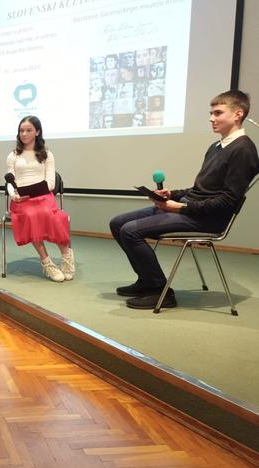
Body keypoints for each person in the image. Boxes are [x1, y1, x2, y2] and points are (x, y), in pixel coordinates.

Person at [110, 90, 259, 309]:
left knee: (130, 231)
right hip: (190, 209)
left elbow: (228, 202)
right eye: (211, 113)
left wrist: (181, 207)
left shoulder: (243, 150)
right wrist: (173, 195)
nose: (211, 118)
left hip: (208, 219)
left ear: (238, 114)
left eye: (218, 113)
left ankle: (161, 291)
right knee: (117, 223)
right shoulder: (217, 147)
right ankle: (146, 281)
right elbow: (200, 189)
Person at [6, 115, 75, 282]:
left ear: (37, 132)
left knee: (52, 215)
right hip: (21, 200)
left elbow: (51, 182)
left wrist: (37, 191)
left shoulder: (47, 154)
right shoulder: (13, 156)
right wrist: (14, 195)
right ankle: (47, 262)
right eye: (21, 130)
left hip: (43, 197)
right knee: (31, 216)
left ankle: (67, 256)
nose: (24, 134)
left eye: (28, 130)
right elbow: (9, 181)